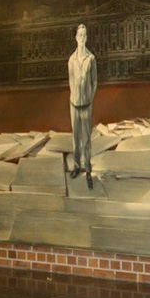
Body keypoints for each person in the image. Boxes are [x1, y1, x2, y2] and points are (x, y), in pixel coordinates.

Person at [68, 23, 98, 189]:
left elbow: (94, 83)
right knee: (75, 137)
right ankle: (76, 166)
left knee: (86, 139)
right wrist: (74, 96)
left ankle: (88, 169)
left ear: (87, 38)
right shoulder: (71, 60)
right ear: (76, 38)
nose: (82, 38)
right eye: (79, 35)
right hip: (73, 103)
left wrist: (88, 97)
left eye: (84, 35)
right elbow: (71, 80)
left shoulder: (91, 59)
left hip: (86, 104)